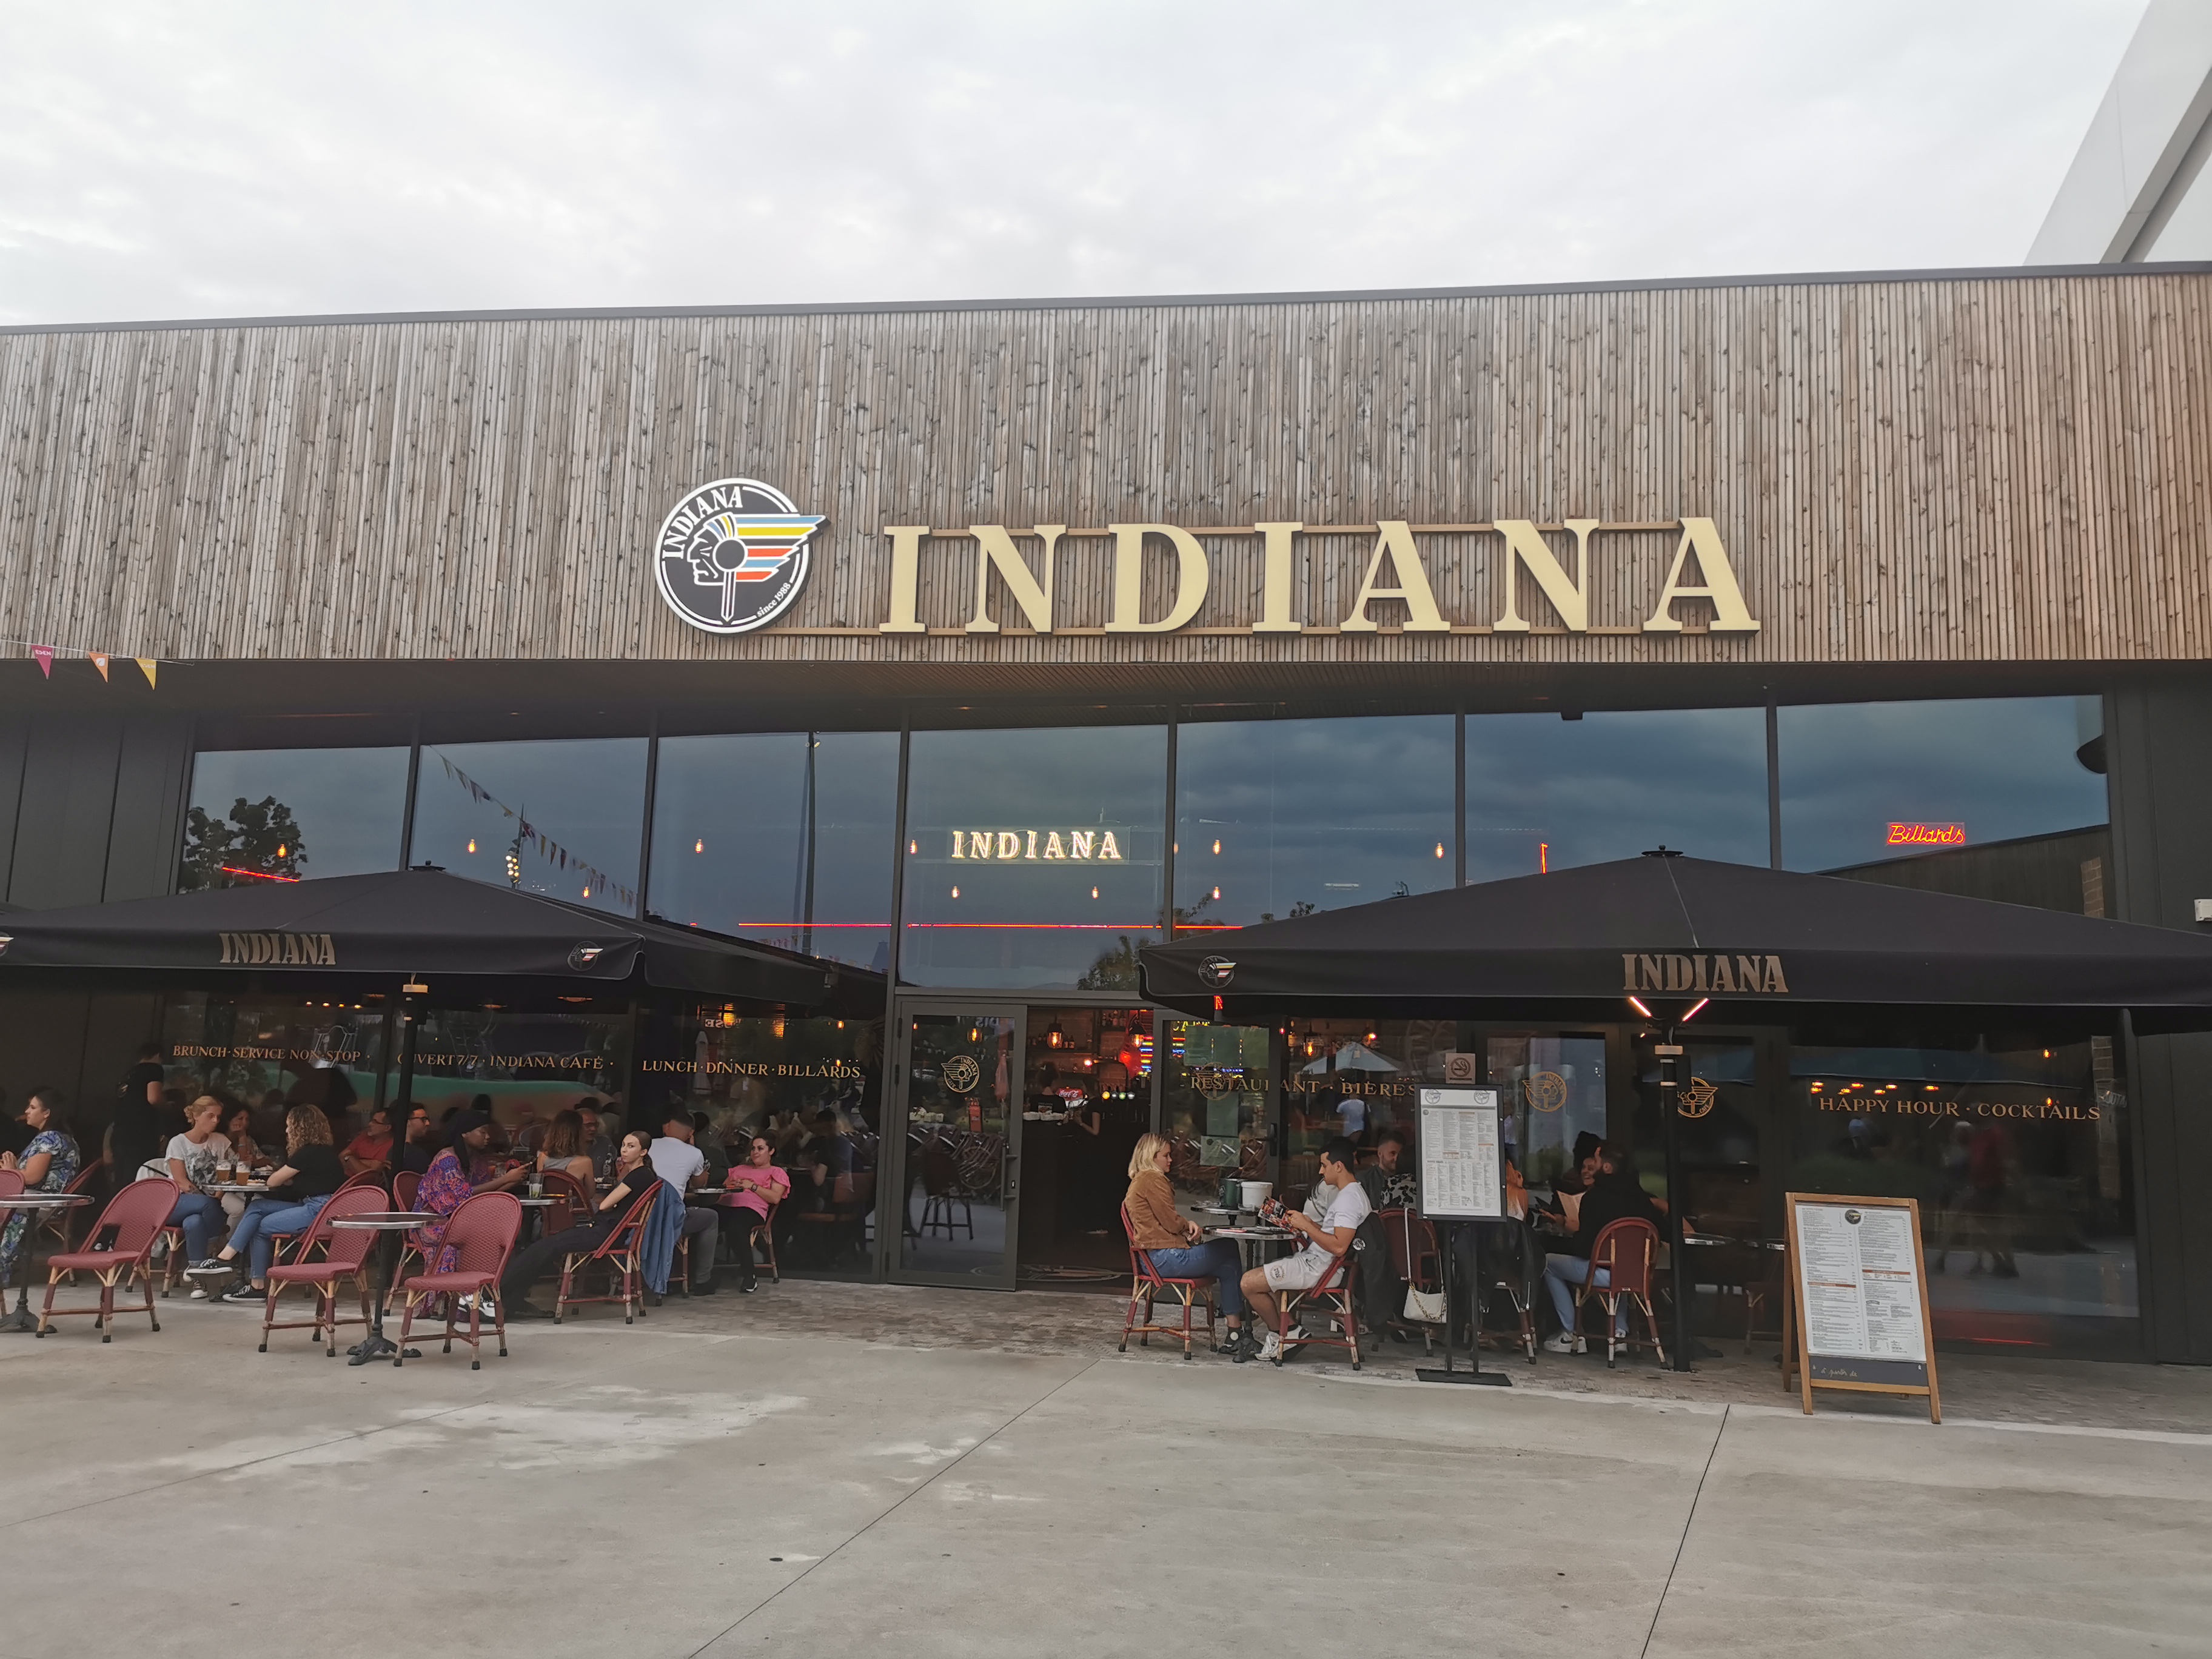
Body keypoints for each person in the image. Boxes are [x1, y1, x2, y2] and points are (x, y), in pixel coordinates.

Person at [498, 1128, 665, 1319]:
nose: (624, 1150)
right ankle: (511, 1297)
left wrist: (612, 1201)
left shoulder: (639, 1175)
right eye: (623, 1145)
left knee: (544, 1247)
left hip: (604, 1233)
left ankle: (500, 1292)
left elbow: (604, 1205)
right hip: (608, 1231)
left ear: (643, 1152)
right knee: (545, 1248)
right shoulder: (642, 1174)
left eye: (631, 1146)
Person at [186, 1105, 346, 1303]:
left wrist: (284, 1178)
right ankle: (227, 1259)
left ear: (301, 1127)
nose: (287, 1130)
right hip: (321, 1207)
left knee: (259, 1226)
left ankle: (252, 1283)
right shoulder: (324, 1152)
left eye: (289, 1126)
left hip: (318, 1211)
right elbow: (304, 1183)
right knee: (256, 1207)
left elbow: (273, 1181)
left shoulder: (308, 1152)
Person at [1239, 1137, 1370, 1362]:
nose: (1321, 1171)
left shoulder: (1347, 1201)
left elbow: (1339, 1246)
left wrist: (1307, 1226)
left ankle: (1284, 1333)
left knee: (1248, 1283)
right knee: (1271, 1284)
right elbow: (1336, 1238)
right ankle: (1288, 1332)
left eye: (1324, 1165)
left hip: (1320, 1268)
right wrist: (1305, 1224)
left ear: (1339, 1166)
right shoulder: (1352, 1194)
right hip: (1319, 1262)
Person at [1122, 1131, 1251, 1357]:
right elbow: (1171, 1222)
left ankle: (1234, 1332)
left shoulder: (1141, 1179)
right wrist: (1188, 1224)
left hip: (1154, 1259)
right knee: (1229, 1247)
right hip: (1167, 1259)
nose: (1171, 1160)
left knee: (1227, 1265)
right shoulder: (1152, 1179)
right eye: (1166, 1155)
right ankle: (1237, 1324)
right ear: (1151, 1156)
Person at [1540, 1144, 1666, 1353]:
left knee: (1549, 1262)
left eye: (1596, 1162)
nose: (1592, 1167)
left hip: (1602, 1274)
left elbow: (1584, 1250)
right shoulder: (1642, 1199)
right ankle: (1619, 1334)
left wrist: (1572, 1232)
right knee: (1621, 1264)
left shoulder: (1594, 1198)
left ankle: (1572, 1334)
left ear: (1606, 1168)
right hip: (1637, 1275)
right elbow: (1660, 1232)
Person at [409, 1108, 531, 1276]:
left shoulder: (475, 1159)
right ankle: (460, 1284)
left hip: (460, 1218)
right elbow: (462, 1195)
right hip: (433, 1222)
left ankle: (495, 1281)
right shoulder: (447, 1159)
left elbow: (481, 1195)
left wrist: (511, 1182)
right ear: (465, 1133)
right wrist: (505, 1179)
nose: (488, 1137)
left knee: (500, 1229)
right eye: (483, 1132)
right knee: (479, 1232)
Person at [0, 1092, 81, 1321]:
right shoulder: (63, 1137)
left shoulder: (49, 1138)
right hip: (39, 1201)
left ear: (47, 1113)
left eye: (33, 1107)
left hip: (38, 1202)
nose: (27, 1111)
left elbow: (32, 1177)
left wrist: (11, 1171)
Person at [648, 1108, 719, 1295]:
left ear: (666, 1127)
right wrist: (694, 1149)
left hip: (642, 1216)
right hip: (671, 1219)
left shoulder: (647, 1145)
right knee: (711, 1217)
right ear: (691, 1133)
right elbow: (700, 1183)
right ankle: (702, 1280)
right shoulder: (694, 1153)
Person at [167, 1096, 236, 1273]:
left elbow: (232, 1170)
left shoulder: (221, 1140)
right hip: (178, 1201)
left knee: (194, 1222)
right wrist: (210, 1200)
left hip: (207, 1207)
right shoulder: (178, 1142)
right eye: (210, 1116)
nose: (215, 1121)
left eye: (218, 1117)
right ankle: (214, 1243)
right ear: (196, 1115)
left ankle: (197, 1272)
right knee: (207, 1204)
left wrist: (221, 1191)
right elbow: (181, 1181)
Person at [720, 1131, 790, 1292]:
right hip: (727, 1206)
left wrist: (752, 1186)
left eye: (760, 1148)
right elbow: (722, 1189)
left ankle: (749, 1275)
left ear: (771, 1151)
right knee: (704, 1219)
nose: (755, 1152)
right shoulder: (738, 1169)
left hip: (751, 1210)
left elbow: (775, 1198)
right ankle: (700, 1276)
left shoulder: (776, 1172)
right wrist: (731, 1185)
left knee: (735, 1227)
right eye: (753, 1149)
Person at [109, 1041, 168, 1198]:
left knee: (122, 1177)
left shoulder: (128, 1075)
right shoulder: (153, 1069)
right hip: (141, 1133)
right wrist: (168, 1107)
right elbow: (154, 1098)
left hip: (120, 1132)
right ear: (158, 1056)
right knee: (140, 1175)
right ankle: (135, 1209)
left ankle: (118, 1208)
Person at [535, 1110, 595, 1187]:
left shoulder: (542, 1157)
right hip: (572, 1195)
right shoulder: (585, 1162)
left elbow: (540, 1186)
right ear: (578, 1134)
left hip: (548, 1196)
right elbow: (590, 1192)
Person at [341, 1102, 397, 1176]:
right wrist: (368, 1163)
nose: (370, 1124)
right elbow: (341, 1156)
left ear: (387, 1128)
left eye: (375, 1122)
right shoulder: (364, 1136)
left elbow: (369, 1175)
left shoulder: (392, 1147)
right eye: (371, 1121)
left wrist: (349, 1158)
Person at [575, 1100, 615, 1177]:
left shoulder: (605, 1143)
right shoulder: (566, 1146)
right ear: (576, 1126)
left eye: (595, 1125)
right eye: (588, 1125)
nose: (593, 1129)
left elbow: (615, 1168)